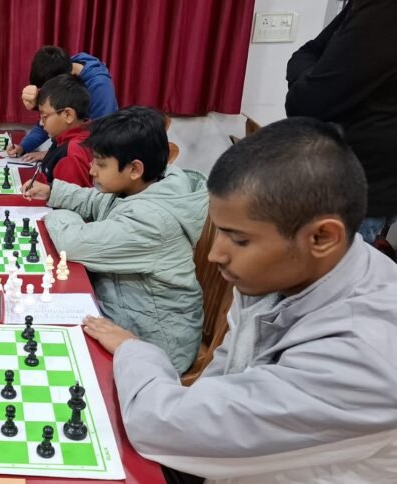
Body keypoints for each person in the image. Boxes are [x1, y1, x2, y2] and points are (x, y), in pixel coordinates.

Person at [85, 117, 397, 483]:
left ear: (322, 237)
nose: (215, 254)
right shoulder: (287, 274)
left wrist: (135, 350)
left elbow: (162, 426)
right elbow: (222, 378)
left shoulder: (363, 358)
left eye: (239, 239)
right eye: (219, 231)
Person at [23, 107, 207, 373]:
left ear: (134, 169)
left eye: (100, 164)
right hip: (128, 310)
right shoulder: (142, 186)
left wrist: (56, 213)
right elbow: (96, 201)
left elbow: (73, 244)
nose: (92, 171)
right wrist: (52, 192)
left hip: (156, 341)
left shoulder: (151, 220)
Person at [285, 0, 397, 245]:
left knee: (324, 268)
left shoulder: (385, 12)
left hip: (355, 190)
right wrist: (312, 77)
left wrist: (310, 78)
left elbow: (306, 102)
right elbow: (307, 52)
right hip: (342, 178)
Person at [9, 45, 118, 161]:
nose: (42, 120)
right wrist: (23, 147)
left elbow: (102, 138)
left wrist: (50, 154)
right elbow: (48, 119)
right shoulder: (62, 68)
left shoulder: (100, 88)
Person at [30, 74, 93, 188]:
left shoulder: (71, 154)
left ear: (68, 115)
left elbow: (70, 198)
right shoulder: (64, 138)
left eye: (44, 117)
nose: (41, 123)